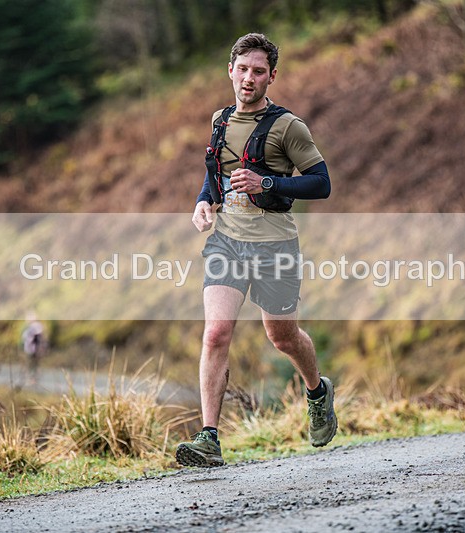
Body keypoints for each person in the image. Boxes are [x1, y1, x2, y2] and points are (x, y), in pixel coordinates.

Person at [176, 33, 336, 467]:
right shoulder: (219, 120)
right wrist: (202, 202)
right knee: (215, 333)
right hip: (226, 241)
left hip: (275, 245)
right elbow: (215, 175)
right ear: (230, 70)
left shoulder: (288, 127)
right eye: (242, 69)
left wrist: (268, 182)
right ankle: (209, 438)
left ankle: (318, 391)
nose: (249, 78)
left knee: (281, 336)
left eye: (258, 71)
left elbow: (321, 183)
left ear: (272, 77)